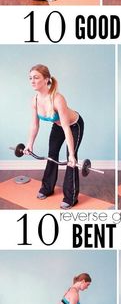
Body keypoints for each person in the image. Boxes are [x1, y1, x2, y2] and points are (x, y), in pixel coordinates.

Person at [23, 63, 84, 207]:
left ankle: (70, 197)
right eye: (30, 78)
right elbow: (35, 124)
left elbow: (66, 128)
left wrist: (71, 154)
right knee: (52, 154)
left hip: (73, 126)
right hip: (58, 126)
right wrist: (29, 144)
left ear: (46, 79)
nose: (32, 81)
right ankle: (47, 188)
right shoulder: (35, 100)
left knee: (71, 161)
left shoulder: (57, 99)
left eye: (36, 78)